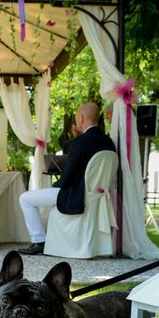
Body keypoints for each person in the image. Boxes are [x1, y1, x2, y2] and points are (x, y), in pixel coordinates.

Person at [18, 102, 116, 255]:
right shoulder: (109, 143)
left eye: (76, 118)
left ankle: (39, 241)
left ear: (82, 118)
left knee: (25, 199)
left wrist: (55, 186)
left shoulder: (80, 142)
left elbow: (68, 175)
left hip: (75, 194)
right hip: (97, 196)